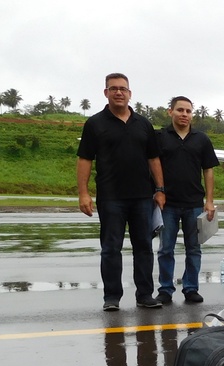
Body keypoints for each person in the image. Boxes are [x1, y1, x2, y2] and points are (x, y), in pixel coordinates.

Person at [76, 72, 165, 311]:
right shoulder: (95, 123)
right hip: (111, 197)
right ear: (106, 93)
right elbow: (85, 159)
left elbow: (153, 158)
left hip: (142, 197)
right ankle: (112, 297)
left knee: (144, 247)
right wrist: (83, 193)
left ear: (129, 93)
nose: (118, 92)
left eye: (123, 89)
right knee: (111, 248)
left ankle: (145, 294)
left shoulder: (144, 124)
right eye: (113, 88)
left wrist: (160, 189)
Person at [155, 96, 219, 305]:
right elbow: (153, 166)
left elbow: (208, 171)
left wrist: (209, 201)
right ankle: (165, 288)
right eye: (180, 110)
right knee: (166, 248)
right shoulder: (160, 137)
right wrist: (158, 191)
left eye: (188, 111)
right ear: (170, 112)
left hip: (193, 204)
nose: (184, 114)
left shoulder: (202, 139)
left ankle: (191, 288)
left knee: (194, 248)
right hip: (168, 204)